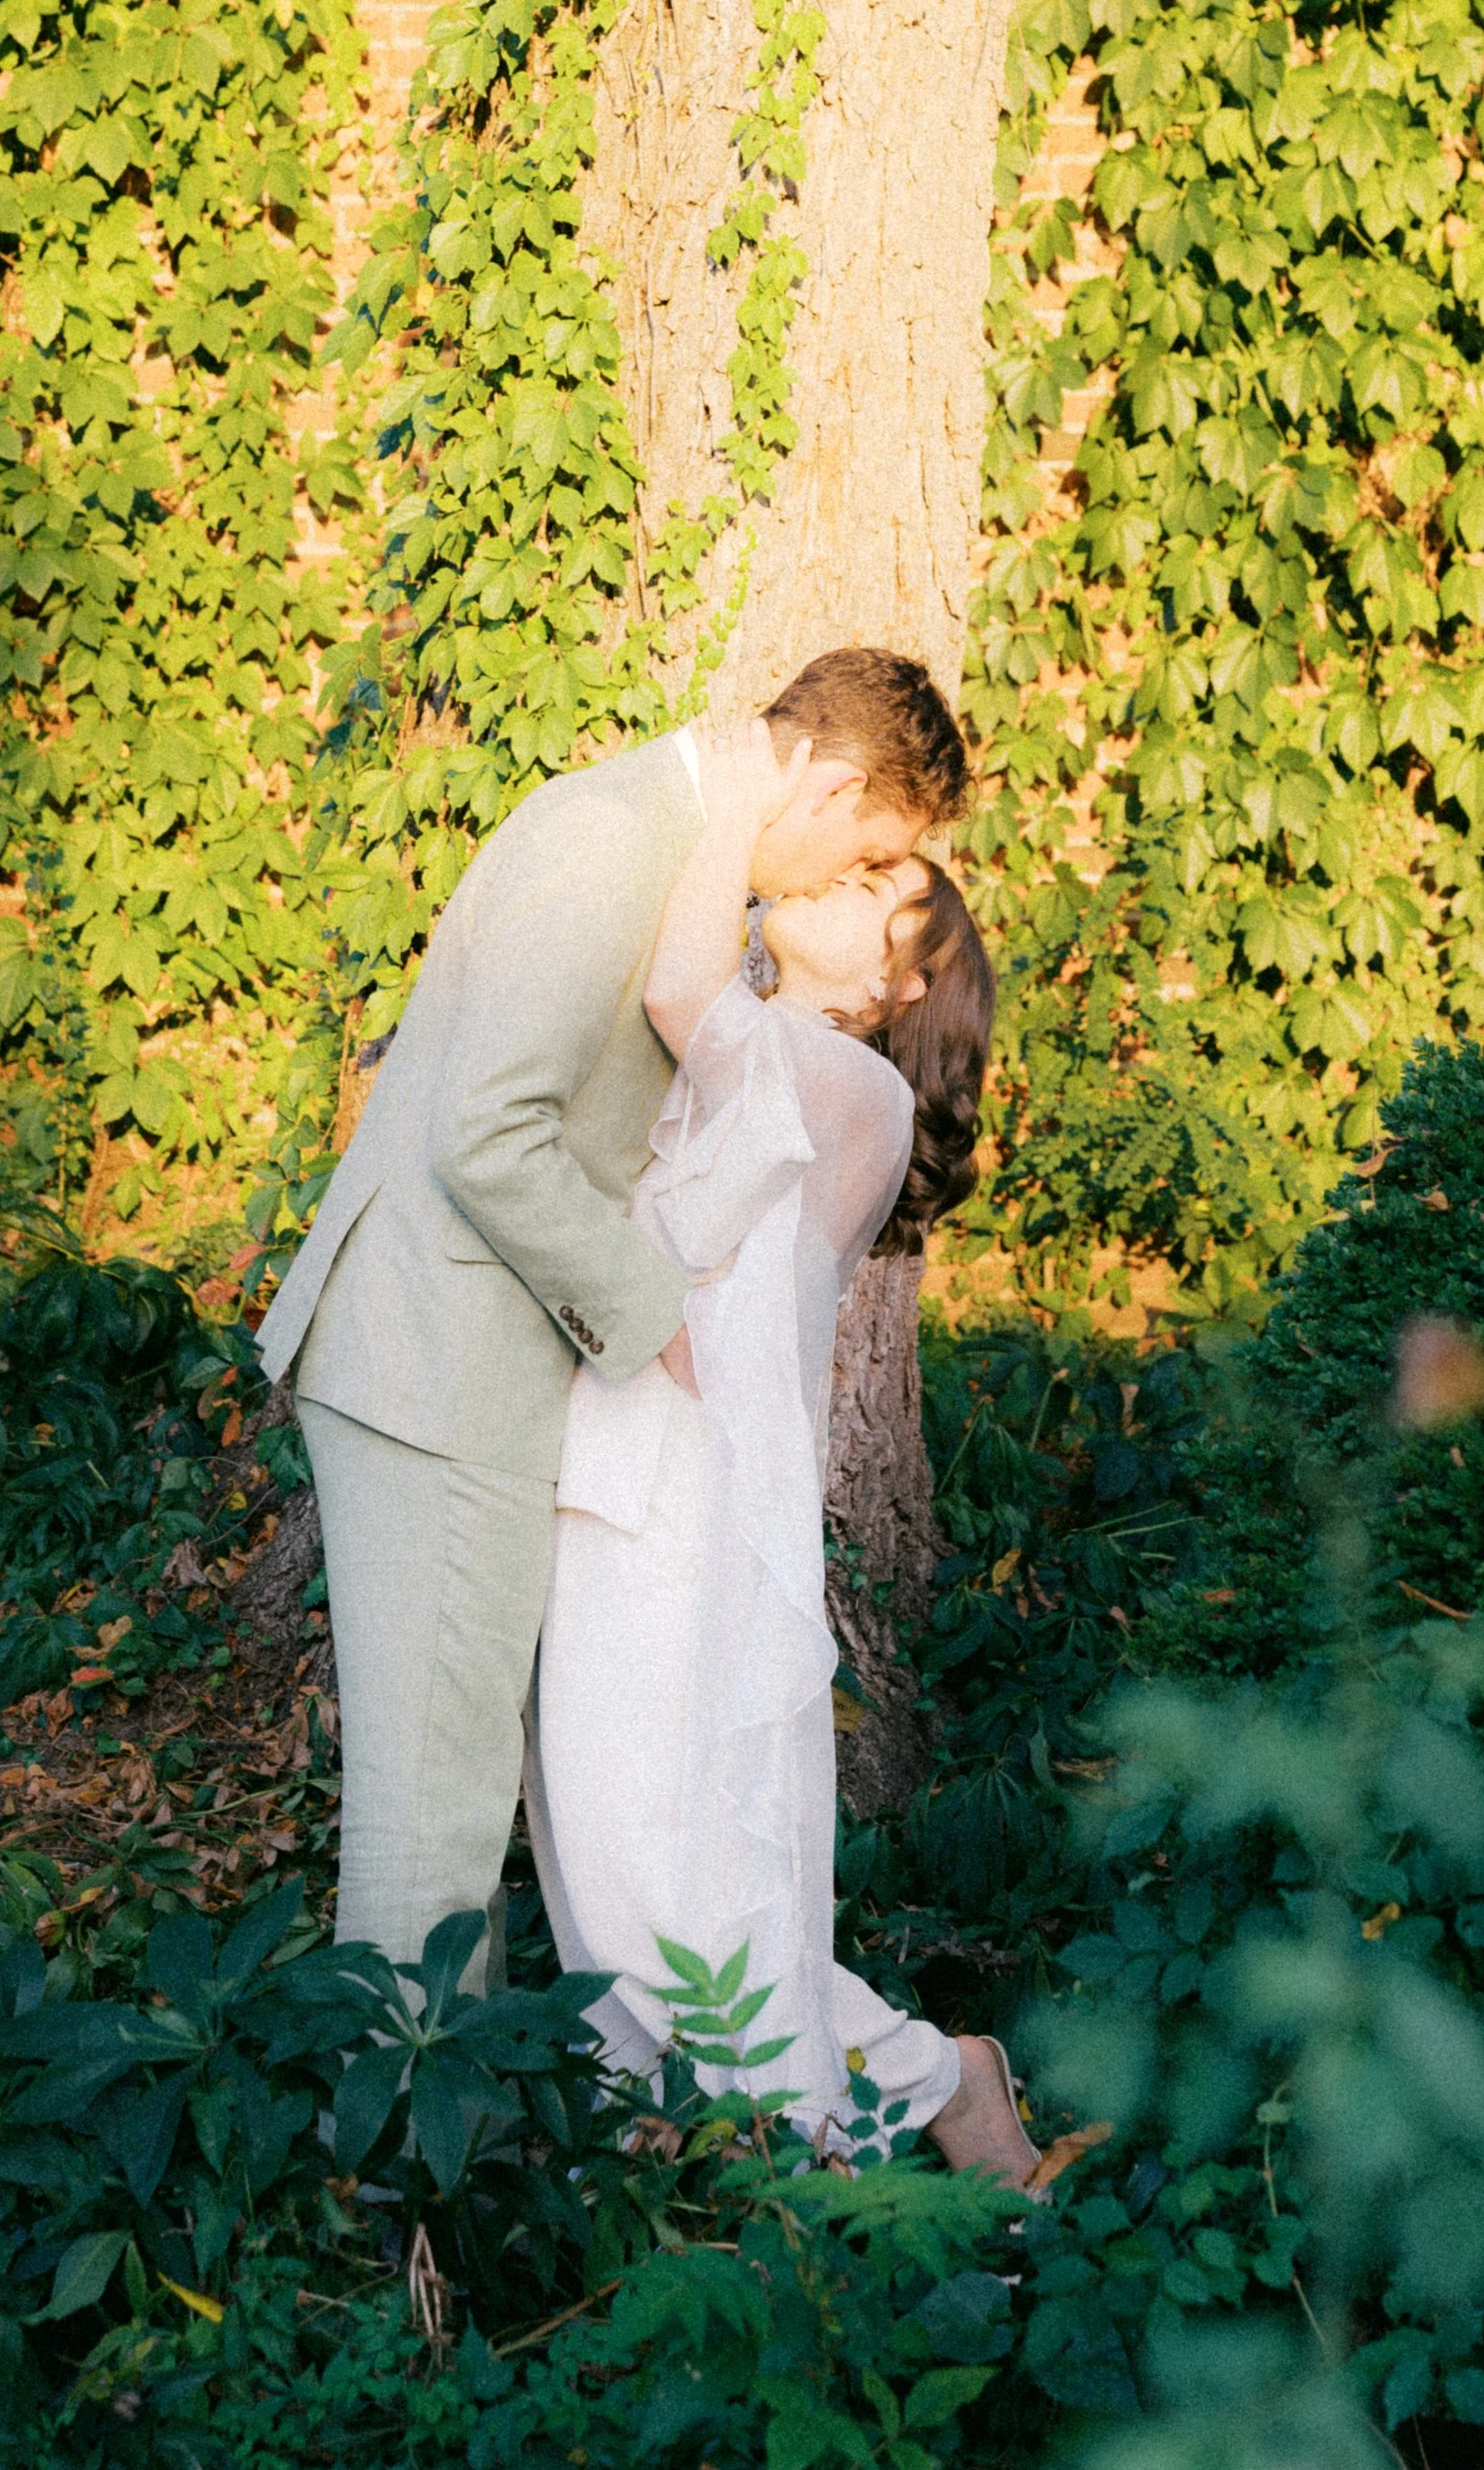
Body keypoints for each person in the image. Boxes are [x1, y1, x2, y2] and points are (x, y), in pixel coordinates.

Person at [254, 649, 968, 1987]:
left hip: (467, 1369)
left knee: (454, 1816)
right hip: (436, 1377)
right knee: (433, 1829)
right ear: (828, 779)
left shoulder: (661, 842)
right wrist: (661, 1323)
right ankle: (398, 2184)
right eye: (859, 851)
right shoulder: (608, 837)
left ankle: (430, 2180)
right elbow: (488, 1133)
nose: (828, 889)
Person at [525, 723, 1043, 2185]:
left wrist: (738, 788)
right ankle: (688, 2171)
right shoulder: (758, 1062)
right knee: (603, 1862)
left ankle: (853, 2119)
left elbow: (683, 980)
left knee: (668, 1884)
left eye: (884, 878)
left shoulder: (854, 1093)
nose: (848, 874)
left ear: (903, 978)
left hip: (699, 1507)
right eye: (866, 853)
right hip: (607, 1468)